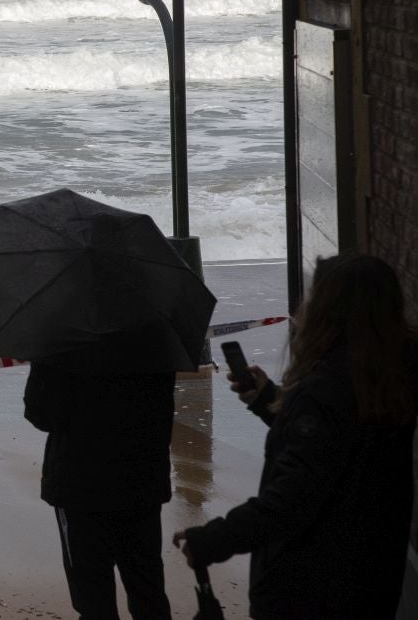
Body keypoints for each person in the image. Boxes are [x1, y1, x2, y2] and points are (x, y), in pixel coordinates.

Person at [174, 253, 418, 619]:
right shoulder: (389, 378)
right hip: (372, 578)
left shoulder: (325, 390)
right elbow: (338, 449)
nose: (302, 306)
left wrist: (213, 539)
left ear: (330, 311)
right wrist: (271, 401)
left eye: (312, 297)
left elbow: (291, 499)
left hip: (309, 587)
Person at [23, 362, 175, 620]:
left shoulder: (61, 346)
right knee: (147, 589)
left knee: (92, 597)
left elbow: (41, 413)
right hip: (142, 482)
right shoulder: (155, 343)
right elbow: (162, 411)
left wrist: (42, 364)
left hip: (79, 485)